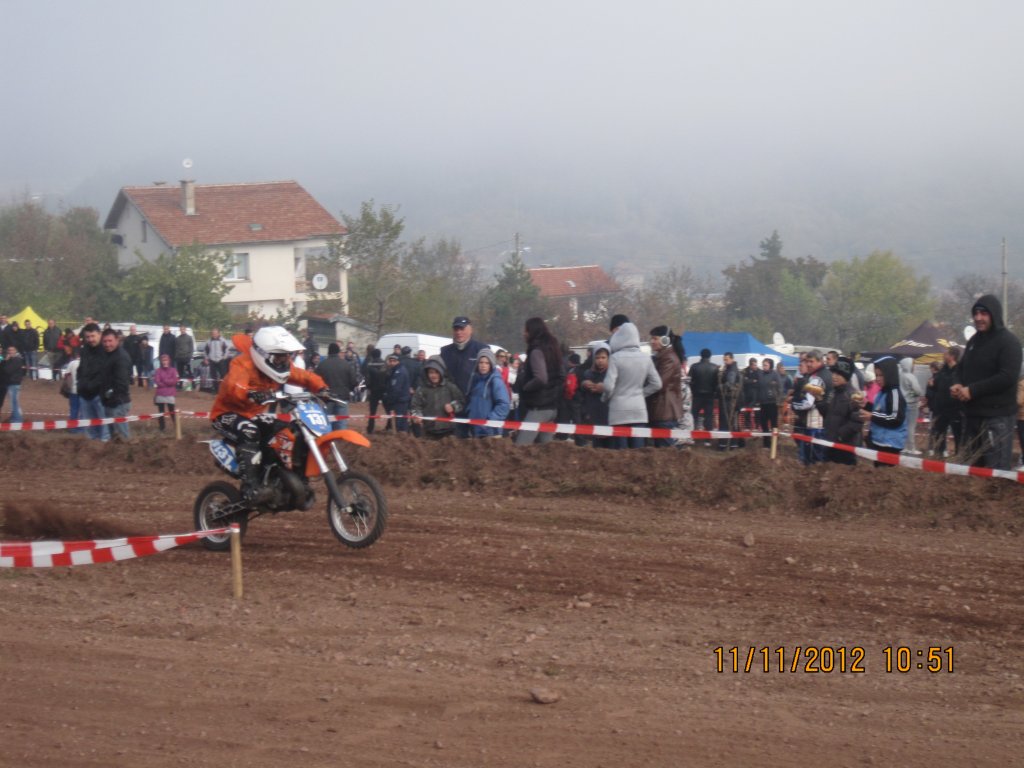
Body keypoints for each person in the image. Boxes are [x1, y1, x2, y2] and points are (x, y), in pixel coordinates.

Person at [210, 327, 327, 504]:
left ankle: (282, 477)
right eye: (278, 357)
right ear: (262, 354)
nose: (283, 361)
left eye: (285, 356)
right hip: (226, 414)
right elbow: (234, 386)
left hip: (252, 414)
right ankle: (250, 487)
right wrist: (250, 392)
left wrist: (322, 388)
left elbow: (304, 376)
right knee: (249, 432)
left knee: (287, 431)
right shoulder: (242, 364)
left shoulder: (282, 367)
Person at [951, 294, 1022, 470]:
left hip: (997, 417)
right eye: (976, 313)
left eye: (984, 313)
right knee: (968, 472)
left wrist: (973, 390)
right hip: (971, 416)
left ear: (994, 315)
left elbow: (1007, 377)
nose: (978, 318)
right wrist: (957, 383)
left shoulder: (1009, 342)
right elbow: (961, 368)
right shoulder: (973, 341)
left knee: (995, 474)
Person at [601, 322, 661, 449]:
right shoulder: (646, 358)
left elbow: (608, 386)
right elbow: (657, 384)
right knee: (638, 452)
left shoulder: (615, 358)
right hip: (639, 410)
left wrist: (605, 398)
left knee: (622, 453)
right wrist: (640, 393)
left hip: (618, 411)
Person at [513, 317, 564, 446]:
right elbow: (561, 375)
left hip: (538, 408)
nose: (523, 333)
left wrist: (525, 387)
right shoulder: (553, 350)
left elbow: (541, 378)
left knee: (520, 447)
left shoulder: (536, 351)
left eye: (526, 330)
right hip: (552, 407)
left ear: (532, 332)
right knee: (545, 450)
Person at [440, 316, 489, 437]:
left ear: (470, 330)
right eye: (456, 329)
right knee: (458, 442)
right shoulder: (445, 352)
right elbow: (441, 378)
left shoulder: (481, 349)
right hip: (454, 406)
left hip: (476, 405)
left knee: (480, 442)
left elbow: (490, 378)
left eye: (462, 329)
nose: (459, 332)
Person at [823, 356, 865, 465]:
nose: (834, 376)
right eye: (833, 373)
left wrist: (840, 436)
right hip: (830, 444)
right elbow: (827, 414)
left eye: (838, 374)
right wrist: (819, 402)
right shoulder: (833, 393)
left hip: (846, 448)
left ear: (846, 376)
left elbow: (857, 421)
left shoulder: (853, 395)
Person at [646, 326, 684, 447]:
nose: (652, 342)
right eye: (651, 338)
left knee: (665, 450)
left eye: (655, 338)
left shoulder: (669, 359)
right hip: (661, 409)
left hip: (664, 410)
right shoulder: (661, 357)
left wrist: (641, 392)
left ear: (665, 340)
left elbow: (659, 384)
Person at [410, 356, 464, 439]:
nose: (434, 375)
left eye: (436, 372)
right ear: (427, 373)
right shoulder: (422, 389)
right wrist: (417, 415)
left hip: (448, 431)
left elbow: (461, 401)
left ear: (441, 372)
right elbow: (415, 405)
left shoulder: (450, 387)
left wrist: (453, 406)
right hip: (429, 432)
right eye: (431, 372)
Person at [866, 356, 907, 466]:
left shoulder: (894, 394)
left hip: (890, 445)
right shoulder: (882, 392)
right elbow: (878, 410)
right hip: (880, 441)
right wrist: (865, 405)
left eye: (881, 375)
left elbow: (895, 418)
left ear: (889, 374)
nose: (878, 379)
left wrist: (871, 416)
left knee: (885, 474)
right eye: (876, 375)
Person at [76, 322, 110, 442]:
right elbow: (81, 368)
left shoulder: (106, 350)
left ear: (99, 334)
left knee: (105, 430)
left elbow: (106, 372)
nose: (90, 339)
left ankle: (105, 448)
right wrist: (80, 384)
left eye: (93, 336)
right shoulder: (84, 350)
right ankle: (91, 449)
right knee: (90, 430)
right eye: (88, 337)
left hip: (100, 394)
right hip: (85, 394)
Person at [466, 348, 510, 438]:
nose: (483, 365)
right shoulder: (475, 380)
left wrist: (490, 421)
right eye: (481, 362)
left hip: (491, 433)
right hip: (475, 431)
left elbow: (504, 404)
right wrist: (469, 413)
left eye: (487, 363)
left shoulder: (496, 380)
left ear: (491, 364)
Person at [100, 328, 133, 442]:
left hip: (119, 402)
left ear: (117, 340)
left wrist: (111, 394)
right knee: (112, 437)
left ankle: (128, 450)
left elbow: (122, 383)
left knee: (123, 437)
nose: (107, 344)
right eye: (105, 341)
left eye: (110, 341)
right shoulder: (106, 354)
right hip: (109, 401)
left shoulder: (121, 357)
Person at [578, 342, 611, 448]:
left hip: (609, 414)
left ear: (608, 358)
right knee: (597, 447)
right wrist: (584, 385)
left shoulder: (612, 374)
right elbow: (581, 394)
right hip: (593, 415)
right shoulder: (588, 373)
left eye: (603, 357)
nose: (600, 360)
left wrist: (605, 388)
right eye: (597, 358)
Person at [316, 342, 360, 421]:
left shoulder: (322, 365)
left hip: (327, 398)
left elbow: (315, 380)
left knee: (327, 422)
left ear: (328, 352)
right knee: (341, 423)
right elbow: (353, 381)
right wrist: (348, 390)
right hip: (342, 397)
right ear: (338, 352)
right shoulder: (345, 364)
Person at [689, 348, 719, 441]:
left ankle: (693, 437)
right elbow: (716, 383)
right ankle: (708, 439)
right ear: (710, 356)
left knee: (694, 416)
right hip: (709, 396)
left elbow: (689, 381)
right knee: (708, 417)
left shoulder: (694, 366)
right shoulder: (715, 367)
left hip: (696, 395)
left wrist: (692, 391)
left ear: (700, 355)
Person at [898, 357, 924, 455]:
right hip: (912, 404)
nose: (914, 366)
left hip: (902, 404)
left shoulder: (900, 375)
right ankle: (911, 448)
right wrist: (911, 394)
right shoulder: (911, 376)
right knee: (911, 426)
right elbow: (918, 391)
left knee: (903, 426)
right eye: (913, 364)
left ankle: (904, 447)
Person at [717, 352, 742, 449]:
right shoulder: (729, 369)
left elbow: (729, 384)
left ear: (732, 359)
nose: (725, 361)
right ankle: (732, 443)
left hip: (730, 400)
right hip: (731, 400)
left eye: (726, 359)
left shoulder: (732, 370)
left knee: (727, 422)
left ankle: (726, 444)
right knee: (731, 422)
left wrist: (719, 387)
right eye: (724, 359)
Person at [382, 353, 411, 433]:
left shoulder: (399, 372)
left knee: (399, 422)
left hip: (400, 400)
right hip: (401, 399)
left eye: (394, 361)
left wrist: (391, 400)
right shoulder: (395, 370)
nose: (392, 363)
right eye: (390, 361)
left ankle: (402, 435)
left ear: (398, 361)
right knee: (401, 420)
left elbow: (396, 388)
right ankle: (403, 434)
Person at [758, 358, 783, 447]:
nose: (764, 367)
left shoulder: (775, 374)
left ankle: (774, 443)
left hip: (772, 402)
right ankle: (766, 443)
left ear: (770, 366)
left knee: (773, 424)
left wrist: (778, 400)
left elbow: (780, 387)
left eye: (766, 365)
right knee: (763, 423)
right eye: (763, 365)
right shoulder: (760, 374)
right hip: (763, 403)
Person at [363, 349, 389, 434]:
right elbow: (388, 376)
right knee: (388, 410)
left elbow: (367, 379)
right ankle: (389, 426)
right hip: (384, 390)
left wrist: (369, 387)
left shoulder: (369, 365)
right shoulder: (385, 364)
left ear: (372, 355)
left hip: (374, 391)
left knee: (372, 411)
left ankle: (370, 429)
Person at [152, 354, 179, 433]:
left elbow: (174, 381)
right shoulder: (158, 371)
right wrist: (168, 383)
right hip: (160, 395)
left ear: (169, 361)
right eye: (163, 360)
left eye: (166, 360)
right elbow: (157, 381)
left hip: (170, 395)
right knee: (161, 413)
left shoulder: (173, 370)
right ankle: (162, 427)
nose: (165, 362)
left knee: (172, 411)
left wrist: (164, 381)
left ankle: (177, 426)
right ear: (161, 361)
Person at [1, 346, 25, 422]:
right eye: (9, 350)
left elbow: (7, 370)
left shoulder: (16, 360)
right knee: (14, 402)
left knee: (14, 402)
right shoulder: (13, 359)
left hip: (13, 383)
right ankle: (15, 417)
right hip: (12, 383)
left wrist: (5, 361)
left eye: (12, 350)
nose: (10, 352)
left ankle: (17, 419)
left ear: (15, 351)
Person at [740, 357, 762, 431]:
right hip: (747, 395)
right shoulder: (745, 371)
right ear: (750, 365)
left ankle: (757, 426)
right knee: (747, 411)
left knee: (757, 412)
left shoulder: (759, 371)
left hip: (757, 395)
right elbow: (743, 381)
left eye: (756, 365)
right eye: (754, 365)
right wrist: (752, 381)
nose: (755, 366)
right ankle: (747, 426)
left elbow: (759, 382)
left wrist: (749, 381)